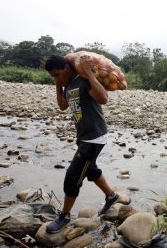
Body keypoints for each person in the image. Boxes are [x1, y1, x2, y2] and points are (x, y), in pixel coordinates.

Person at [44, 54, 118, 233]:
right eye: (52, 76)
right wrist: (58, 83)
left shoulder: (83, 81)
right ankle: (111, 196)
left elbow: (103, 99)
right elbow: (62, 105)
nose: (56, 78)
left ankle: (64, 216)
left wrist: (89, 74)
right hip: (83, 136)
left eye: (57, 74)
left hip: (94, 137)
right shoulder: (68, 85)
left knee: (72, 177)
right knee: (90, 168)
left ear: (67, 68)